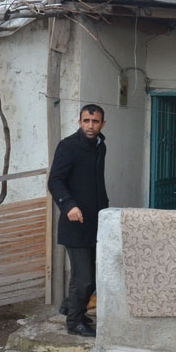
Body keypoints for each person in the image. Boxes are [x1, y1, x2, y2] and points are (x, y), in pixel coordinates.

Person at [48, 104, 109, 338]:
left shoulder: (100, 147)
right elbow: (55, 181)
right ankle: (74, 322)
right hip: (74, 223)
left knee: (91, 276)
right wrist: (68, 205)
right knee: (83, 278)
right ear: (79, 122)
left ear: (102, 123)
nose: (90, 126)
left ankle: (74, 309)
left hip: (96, 222)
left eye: (95, 122)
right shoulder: (68, 146)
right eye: (86, 121)